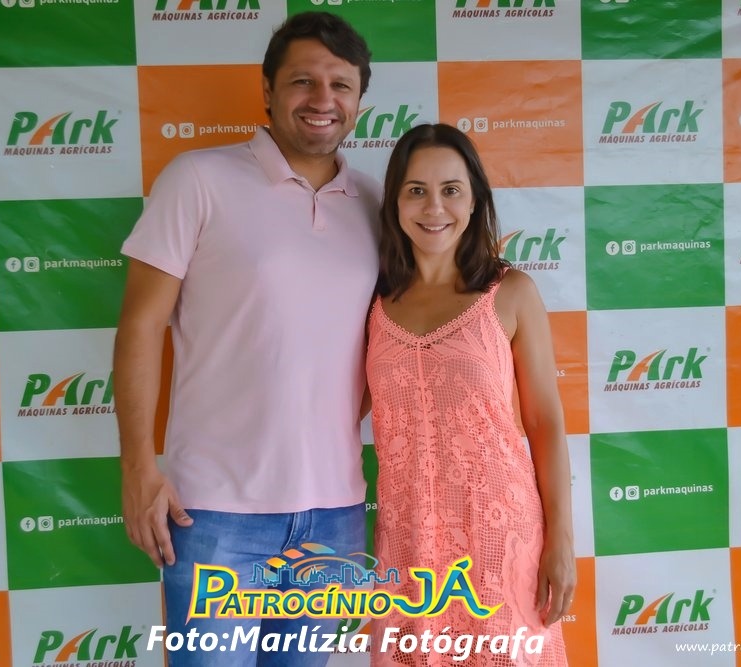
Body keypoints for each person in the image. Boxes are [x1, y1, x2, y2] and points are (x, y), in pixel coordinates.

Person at [112, 12, 379, 666]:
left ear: (359, 99)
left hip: (335, 513)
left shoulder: (379, 202)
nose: (322, 99)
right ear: (267, 90)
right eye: (303, 81)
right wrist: (138, 469)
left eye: (341, 84)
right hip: (213, 512)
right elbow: (141, 326)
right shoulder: (197, 178)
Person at [365, 123, 575, 666]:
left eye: (451, 190)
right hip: (407, 546)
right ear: (394, 202)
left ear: (475, 199)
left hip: (499, 539)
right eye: (416, 190)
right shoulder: (372, 302)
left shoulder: (511, 293)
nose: (434, 207)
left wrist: (561, 541)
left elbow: (545, 424)